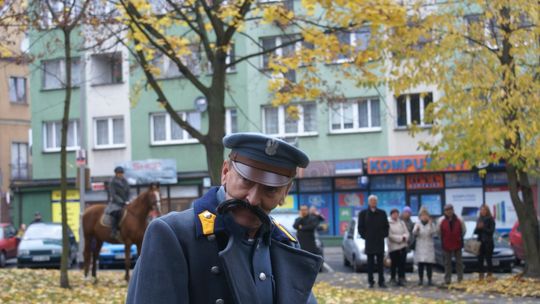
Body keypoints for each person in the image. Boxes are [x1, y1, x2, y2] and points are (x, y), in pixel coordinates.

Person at [127, 133, 323, 304]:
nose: (253, 200)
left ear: (285, 193)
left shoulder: (285, 243)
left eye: (270, 189)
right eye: (246, 181)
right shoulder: (173, 234)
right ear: (225, 172)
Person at [358, 195, 389, 288]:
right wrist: (365, 236)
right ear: (368, 202)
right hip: (370, 242)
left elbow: (386, 226)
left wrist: (383, 235)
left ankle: (381, 281)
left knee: (380, 264)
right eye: (371, 201)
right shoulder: (363, 213)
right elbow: (360, 227)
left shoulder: (382, 213)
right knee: (370, 264)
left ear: (377, 202)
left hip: (380, 242)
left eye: (375, 201)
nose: (373, 202)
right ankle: (370, 281)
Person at [438, 203, 466, 285]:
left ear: (453, 210)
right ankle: (447, 279)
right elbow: (439, 232)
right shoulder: (441, 221)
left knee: (459, 263)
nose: (449, 211)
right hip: (446, 244)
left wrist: (458, 237)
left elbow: (463, 230)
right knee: (447, 263)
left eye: (450, 210)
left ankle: (460, 279)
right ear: (444, 212)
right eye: (447, 210)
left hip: (457, 243)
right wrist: (444, 239)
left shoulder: (459, 219)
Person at [412, 208, 436, 286]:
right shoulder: (417, 223)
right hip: (420, 246)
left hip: (428, 246)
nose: (424, 217)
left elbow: (433, 233)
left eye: (426, 215)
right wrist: (417, 230)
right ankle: (421, 280)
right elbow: (414, 233)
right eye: (422, 215)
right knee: (421, 265)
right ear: (420, 216)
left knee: (429, 265)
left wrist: (430, 225)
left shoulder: (431, 224)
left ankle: (429, 279)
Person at [106, 166, 130, 238]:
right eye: (119, 173)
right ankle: (114, 231)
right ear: (116, 174)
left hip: (126, 202)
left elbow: (128, 192)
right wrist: (122, 201)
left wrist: (128, 200)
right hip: (115, 203)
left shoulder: (125, 181)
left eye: (121, 173)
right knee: (116, 213)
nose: (120, 175)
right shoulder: (112, 182)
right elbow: (113, 194)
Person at [387, 208, 409, 286]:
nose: (396, 215)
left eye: (397, 213)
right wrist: (400, 238)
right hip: (393, 247)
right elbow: (390, 235)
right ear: (391, 214)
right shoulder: (388, 223)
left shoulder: (402, 223)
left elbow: (406, 232)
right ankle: (393, 278)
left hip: (403, 246)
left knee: (402, 263)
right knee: (393, 264)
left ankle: (401, 278)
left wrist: (405, 237)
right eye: (394, 213)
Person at [475, 205, 495, 281]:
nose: (482, 211)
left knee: (488, 259)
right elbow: (476, 232)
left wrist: (483, 227)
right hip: (480, 242)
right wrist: (478, 228)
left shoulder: (490, 219)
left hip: (488, 242)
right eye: (481, 210)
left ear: (487, 211)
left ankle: (489, 276)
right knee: (480, 260)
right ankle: (481, 276)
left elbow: (491, 231)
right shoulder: (479, 219)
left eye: (484, 210)